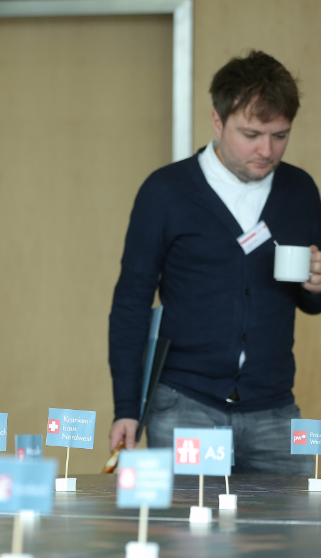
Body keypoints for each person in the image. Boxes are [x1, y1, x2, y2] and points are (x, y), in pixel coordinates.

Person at [108, 50, 320, 473]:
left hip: (275, 411)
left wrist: (317, 287)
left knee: (287, 539)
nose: (267, 150)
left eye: (280, 135)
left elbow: (310, 301)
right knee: (191, 535)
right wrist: (127, 406)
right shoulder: (166, 192)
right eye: (252, 134)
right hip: (184, 404)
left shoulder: (299, 191)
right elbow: (131, 303)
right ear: (218, 122)